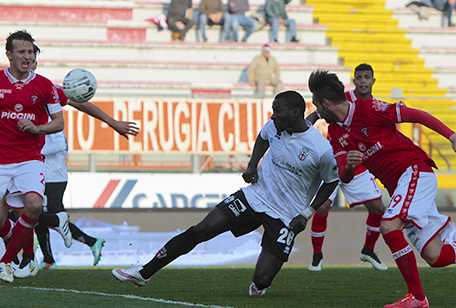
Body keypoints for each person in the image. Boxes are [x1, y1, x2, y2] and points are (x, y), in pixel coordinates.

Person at [308, 69, 456, 308]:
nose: (316, 111)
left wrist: (452, 136)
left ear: (326, 103)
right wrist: (350, 164)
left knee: (389, 226)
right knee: (436, 256)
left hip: (414, 172)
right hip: (403, 185)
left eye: (317, 105)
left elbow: (417, 115)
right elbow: (344, 177)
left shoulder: (368, 109)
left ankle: (417, 297)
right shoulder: (336, 133)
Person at [112, 91, 339, 295]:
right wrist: (252, 165)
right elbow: (262, 137)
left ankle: (260, 286)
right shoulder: (275, 126)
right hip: (254, 196)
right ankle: (144, 272)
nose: (273, 116)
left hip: (285, 215)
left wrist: (307, 213)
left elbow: (331, 181)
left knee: (261, 279)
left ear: (296, 112)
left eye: (277, 111)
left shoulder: (321, 149)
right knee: (201, 229)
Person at [27, 47, 140, 270]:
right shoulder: (8, 87)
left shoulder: (47, 94)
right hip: (25, 164)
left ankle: (35, 258)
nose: (29, 62)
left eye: (32, 59)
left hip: (48, 172)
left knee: (29, 212)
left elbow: (76, 108)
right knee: (26, 213)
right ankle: (35, 258)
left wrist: (111, 122)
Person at [306, 64, 387, 272]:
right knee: (322, 207)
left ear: (373, 81)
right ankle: (317, 256)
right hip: (334, 160)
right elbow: (316, 115)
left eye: (366, 77)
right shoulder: (343, 99)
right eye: (359, 77)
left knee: (378, 208)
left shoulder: (376, 106)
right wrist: (308, 124)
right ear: (354, 80)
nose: (362, 81)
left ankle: (368, 250)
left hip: (357, 163)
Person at [0, 30, 65, 283]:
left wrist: (37, 128)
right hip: (1, 160)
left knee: (35, 206)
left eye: (31, 52)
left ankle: (6, 261)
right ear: (9, 55)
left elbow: (58, 122)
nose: (27, 57)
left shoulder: (45, 85)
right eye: (21, 52)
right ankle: (21, 247)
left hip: (29, 158)